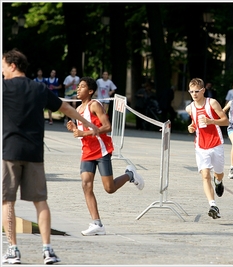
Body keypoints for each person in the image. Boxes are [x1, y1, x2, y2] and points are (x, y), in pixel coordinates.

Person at [2, 49, 99, 264]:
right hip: (35, 152)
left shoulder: (4, 87)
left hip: (9, 151)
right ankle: (47, 250)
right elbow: (65, 108)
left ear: (12, 65)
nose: (2, 70)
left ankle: (13, 250)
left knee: (7, 201)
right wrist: (91, 125)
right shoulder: (38, 88)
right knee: (40, 202)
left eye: (2, 65)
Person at [66, 77, 145, 236]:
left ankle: (130, 175)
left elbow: (107, 127)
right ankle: (97, 224)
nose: (78, 89)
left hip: (101, 150)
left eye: (82, 87)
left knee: (109, 188)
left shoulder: (94, 105)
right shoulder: (77, 110)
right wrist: (75, 128)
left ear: (90, 91)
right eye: (78, 87)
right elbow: (82, 132)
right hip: (87, 151)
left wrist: (83, 132)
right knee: (86, 184)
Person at [186, 78, 229, 219]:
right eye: (191, 91)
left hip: (216, 143)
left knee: (219, 173)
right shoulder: (190, 107)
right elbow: (194, 123)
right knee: (205, 175)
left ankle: (219, 181)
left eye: (196, 91)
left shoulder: (212, 103)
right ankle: (213, 205)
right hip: (201, 146)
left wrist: (211, 121)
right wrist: (191, 127)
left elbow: (226, 120)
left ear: (203, 90)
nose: (194, 94)